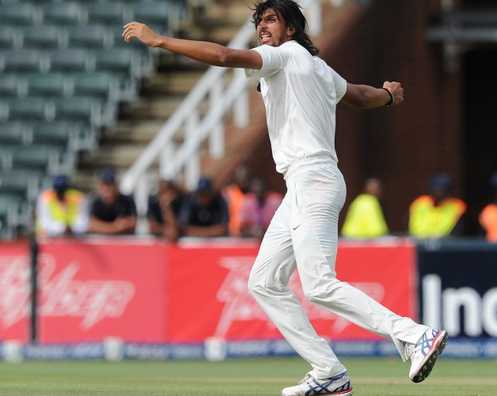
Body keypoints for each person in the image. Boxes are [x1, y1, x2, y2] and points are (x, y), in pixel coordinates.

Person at [123, 2, 447, 394]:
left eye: (271, 20)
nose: (262, 27)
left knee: (319, 285)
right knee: (264, 281)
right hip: (304, 185)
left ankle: (413, 335)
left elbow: (224, 55)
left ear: (291, 29)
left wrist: (160, 41)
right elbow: (359, 97)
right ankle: (329, 372)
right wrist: (388, 96)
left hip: (313, 179)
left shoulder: (282, 56)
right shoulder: (318, 67)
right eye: (258, 22)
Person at [409, 174, 466, 239]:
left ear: (449, 193)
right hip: (419, 243)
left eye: (442, 191)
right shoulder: (420, 203)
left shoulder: (457, 206)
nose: (438, 193)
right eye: (436, 190)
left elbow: (456, 231)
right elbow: (413, 228)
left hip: (445, 245)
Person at [87, 169, 137, 235]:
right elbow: (92, 224)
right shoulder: (95, 201)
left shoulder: (126, 201)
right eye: (104, 184)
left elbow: (132, 222)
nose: (107, 188)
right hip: (100, 240)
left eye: (110, 184)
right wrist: (114, 227)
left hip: (123, 240)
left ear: (116, 185)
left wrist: (102, 226)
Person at [223, 166, 251, 237]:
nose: (243, 180)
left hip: (248, 235)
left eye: (245, 177)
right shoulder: (229, 192)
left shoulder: (253, 193)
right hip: (232, 234)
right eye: (240, 177)